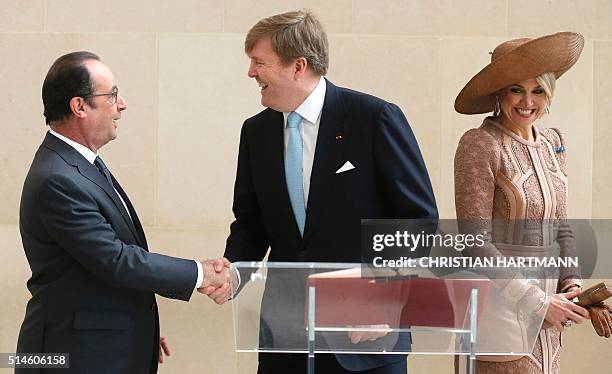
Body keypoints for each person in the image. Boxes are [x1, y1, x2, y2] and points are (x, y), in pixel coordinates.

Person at [200, 10, 437, 374]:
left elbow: (418, 222)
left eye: (259, 62)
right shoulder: (256, 132)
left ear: (298, 66)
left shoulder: (374, 118)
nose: (250, 73)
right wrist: (234, 272)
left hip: (365, 339)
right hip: (285, 339)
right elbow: (251, 224)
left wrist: (384, 299)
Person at [16, 51, 231, 373]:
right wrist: (200, 273)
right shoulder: (57, 178)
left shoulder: (80, 165)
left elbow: (103, 268)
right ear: (79, 106)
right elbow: (117, 260)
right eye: (112, 94)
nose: (123, 104)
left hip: (101, 347)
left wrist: (136, 330)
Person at [453, 32, 591, 373]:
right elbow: (474, 243)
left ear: (549, 93)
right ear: (499, 93)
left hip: (552, 318)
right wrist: (539, 302)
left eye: (538, 90)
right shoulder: (480, 143)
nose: (527, 101)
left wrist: (572, 285)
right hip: (497, 317)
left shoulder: (553, 143)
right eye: (516, 89)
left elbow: (562, 225)